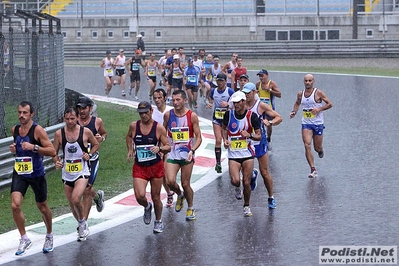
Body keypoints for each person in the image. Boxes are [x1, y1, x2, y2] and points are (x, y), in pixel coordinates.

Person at [9, 101, 57, 255]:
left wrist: (34, 147)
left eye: (25, 113)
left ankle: (49, 234)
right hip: (20, 173)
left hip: (36, 174)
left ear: (31, 114)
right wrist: (14, 149)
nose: (21, 116)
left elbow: (52, 151)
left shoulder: (38, 131)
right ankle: (24, 238)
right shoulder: (15, 130)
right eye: (20, 112)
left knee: (42, 206)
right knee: (15, 205)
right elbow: (17, 149)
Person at [52, 107, 99, 241]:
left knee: (76, 198)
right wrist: (56, 161)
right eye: (67, 119)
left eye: (72, 119)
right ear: (64, 119)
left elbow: (96, 145)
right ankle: (81, 222)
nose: (70, 121)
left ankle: (83, 223)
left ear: (77, 118)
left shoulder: (85, 132)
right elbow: (53, 152)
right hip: (67, 173)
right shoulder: (59, 134)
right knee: (72, 204)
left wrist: (89, 154)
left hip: (82, 171)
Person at [126, 101, 171, 233]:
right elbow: (129, 137)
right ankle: (146, 206)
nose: (144, 115)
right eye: (141, 113)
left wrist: (160, 148)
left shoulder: (158, 128)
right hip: (140, 167)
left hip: (156, 166)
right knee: (139, 196)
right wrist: (130, 150)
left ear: (151, 111)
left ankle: (158, 221)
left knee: (156, 197)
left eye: (146, 112)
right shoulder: (134, 126)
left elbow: (168, 146)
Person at [242, 82, 282, 209]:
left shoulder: (261, 106)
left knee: (265, 172)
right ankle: (253, 174)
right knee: (245, 175)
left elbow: (279, 117)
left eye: (248, 93)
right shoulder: (240, 105)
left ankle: (271, 197)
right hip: (246, 142)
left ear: (255, 92)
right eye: (244, 93)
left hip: (259, 142)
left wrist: (269, 122)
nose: (246, 95)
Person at [163, 90, 202, 221]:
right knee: (169, 181)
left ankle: (191, 208)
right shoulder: (168, 115)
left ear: (185, 100)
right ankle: (179, 195)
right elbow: (162, 133)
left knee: (186, 184)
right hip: (172, 154)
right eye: (173, 100)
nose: (175, 102)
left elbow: (199, 138)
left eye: (178, 100)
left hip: (187, 155)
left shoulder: (192, 116)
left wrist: (193, 150)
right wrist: (162, 147)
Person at [221, 91, 261, 217]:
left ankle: (247, 205)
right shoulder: (228, 114)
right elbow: (224, 128)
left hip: (247, 153)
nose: (236, 105)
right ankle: (237, 187)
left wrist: (249, 135)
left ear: (244, 102)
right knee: (235, 180)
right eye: (234, 102)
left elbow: (259, 136)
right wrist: (225, 140)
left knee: (247, 183)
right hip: (233, 154)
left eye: (238, 102)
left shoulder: (252, 116)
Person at [289, 73, 333, 178]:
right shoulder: (300, 94)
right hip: (306, 123)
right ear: (303, 82)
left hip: (317, 123)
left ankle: (320, 149)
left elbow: (329, 104)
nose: (308, 83)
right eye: (306, 81)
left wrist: (319, 109)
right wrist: (294, 111)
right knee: (307, 145)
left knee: (316, 148)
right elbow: (297, 103)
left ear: (313, 81)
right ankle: (313, 169)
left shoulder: (318, 93)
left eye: (310, 81)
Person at [76, 96, 107, 221]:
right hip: (78, 162)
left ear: (90, 108)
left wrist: (101, 138)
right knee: (81, 189)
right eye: (79, 108)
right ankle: (98, 197)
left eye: (84, 108)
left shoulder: (97, 122)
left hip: (92, 160)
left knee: (87, 188)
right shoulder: (74, 121)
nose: (81, 111)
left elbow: (104, 133)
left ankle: (84, 222)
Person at [206, 73, 234, 173]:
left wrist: (228, 104)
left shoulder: (229, 91)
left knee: (229, 141)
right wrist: (209, 103)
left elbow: (237, 103)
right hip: (217, 118)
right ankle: (218, 163)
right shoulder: (214, 91)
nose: (219, 82)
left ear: (226, 81)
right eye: (218, 81)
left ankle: (233, 161)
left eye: (221, 81)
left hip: (228, 120)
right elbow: (209, 97)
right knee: (218, 140)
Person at [152, 88, 175, 208]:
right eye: (155, 98)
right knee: (162, 173)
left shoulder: (171, 111)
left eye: (159, 97)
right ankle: (169, 193)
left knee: (167, 171)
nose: (157, 100)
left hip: (172, 145)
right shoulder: (152, 113)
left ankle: (177, 190)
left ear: (165, 98)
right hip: (159, 146)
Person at [255, 69, 282, 151]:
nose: (261, 77)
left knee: (268, 125)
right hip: (260, 108)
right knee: (260, 123)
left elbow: (279, 94)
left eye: (262, 75)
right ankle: (261, 140)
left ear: (267, 75)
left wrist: (270, 90)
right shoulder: (258, 84)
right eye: (259, 76)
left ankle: (269, 138)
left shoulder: (272, 83)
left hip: (269, 108)